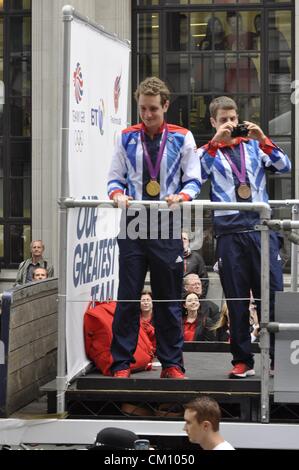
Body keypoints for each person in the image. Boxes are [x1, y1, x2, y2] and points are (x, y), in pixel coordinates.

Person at [107, 76, 201, 379]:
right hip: (134, 223)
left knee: (169, 299)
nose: (147, 116)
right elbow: (114, 178)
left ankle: (172, 363)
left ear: (166, 106)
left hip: (167, 222)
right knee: (128, 297)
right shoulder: (125, 137)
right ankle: (121, 363)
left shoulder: (182, 137)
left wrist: (182, 196)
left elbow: (194, 179)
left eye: (153, 110)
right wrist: (118, 194)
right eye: (142, 109)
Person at [199, 96, 291, 378]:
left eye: (233, 118)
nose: (230, 124)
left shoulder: (253, 146)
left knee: (273, 297)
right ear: (213, 122)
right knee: (237, 301)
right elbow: (194, 177)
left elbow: (285, 166)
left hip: (260, 230)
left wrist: (263, 137)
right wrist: (215, 143)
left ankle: (277, 359)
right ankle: (242, 361)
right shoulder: (208, 151)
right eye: (223, 119)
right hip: (229, 234)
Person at [182, 231, 209, 298]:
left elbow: (204, 279)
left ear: (188, 242)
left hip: (193, 296)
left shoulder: (196, 257)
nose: (182, 241)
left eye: (184, 239)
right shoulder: (171, 258)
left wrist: (200, 298)